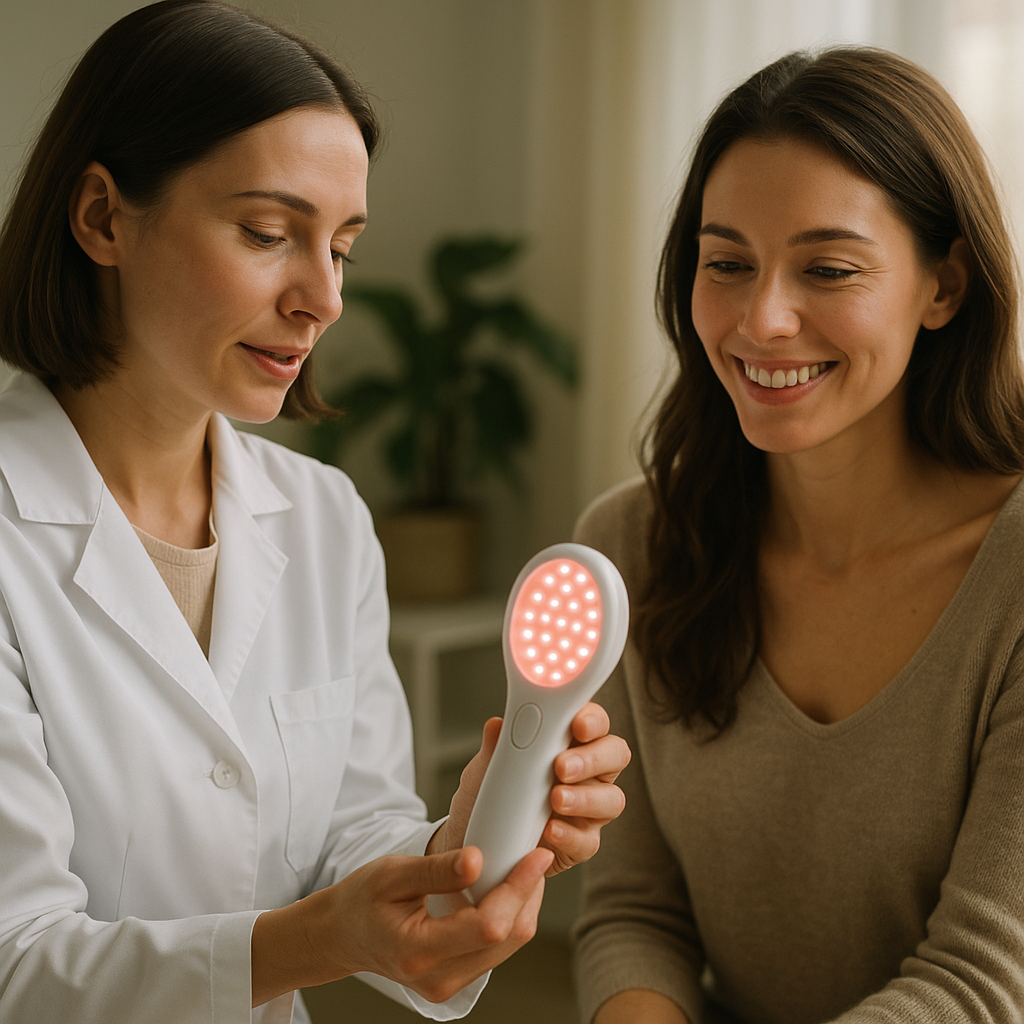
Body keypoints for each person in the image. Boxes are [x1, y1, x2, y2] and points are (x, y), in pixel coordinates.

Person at [0, 3, 630, 1022]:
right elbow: (16, 968)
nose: (323, 297)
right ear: (102, 217)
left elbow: (352, 834)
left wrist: (459, 841)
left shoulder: (322, 516)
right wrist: (324, 936)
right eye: (266, 233)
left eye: (341, 245)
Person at [572, 46, 1024, 1024]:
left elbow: (980, 981)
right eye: (726, 262)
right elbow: (633, 910)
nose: (762, 318)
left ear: (943, 286)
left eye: (826, 267)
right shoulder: (628, 546)